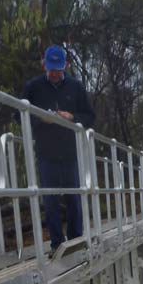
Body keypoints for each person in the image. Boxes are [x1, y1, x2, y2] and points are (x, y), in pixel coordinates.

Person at [22, 45, 95, 252]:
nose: (54, 73)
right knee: (50, 200)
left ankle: (76, 240)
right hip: (46, 153)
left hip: (71, 153)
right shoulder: (33, 87)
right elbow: (20, 116)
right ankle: (57, 243)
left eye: (59, 68)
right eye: (51, 67)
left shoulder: (76, 87)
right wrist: (42, 119)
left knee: (74, 197)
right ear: (43, 63)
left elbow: (90, 117)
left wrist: (73, 118)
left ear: (66, 66)